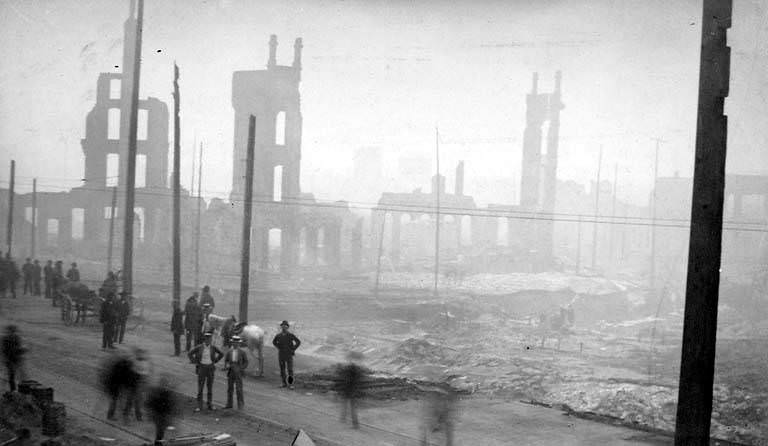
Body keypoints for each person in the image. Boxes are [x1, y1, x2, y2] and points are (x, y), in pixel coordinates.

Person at [188, 332, 223, 412]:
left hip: (210, 368)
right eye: (207, 339)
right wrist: (195, 362)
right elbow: (190, 353)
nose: (208, 341)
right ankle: (199, 406)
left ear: (211, 340)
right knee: (200, 387)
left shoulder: (213, 347)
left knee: (209, 387)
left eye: (210, 339)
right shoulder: (200, 347)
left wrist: (215, 361)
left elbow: (221, 354)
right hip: (202, 368)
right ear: (205, 339)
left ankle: (209, 404)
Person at [334, 351, 367, 428]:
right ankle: (349, 421)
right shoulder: (356, 371)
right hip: (352, 391)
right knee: (351, 408)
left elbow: (346, 381)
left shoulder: (349, 371)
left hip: (349, 391)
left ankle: (350, 422)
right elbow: (357, 382)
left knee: (348, 407)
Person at [145, 377, 178, 445]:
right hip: (160, 415)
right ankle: (158, 443)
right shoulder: (165, 393)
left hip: (160, 414)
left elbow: (150, 403)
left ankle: (158, 442)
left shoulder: (159, 392)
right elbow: (169, 404)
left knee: (160, 431)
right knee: (160, 431)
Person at [272, 320, 301, 389]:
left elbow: (298, 342)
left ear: (287, 327)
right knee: (282, 369)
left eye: (285, 326)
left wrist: (293, 349)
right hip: (281, 355)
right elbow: (274, 342)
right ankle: (283, 383)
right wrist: (278, 347)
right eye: (282, 325)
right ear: (281, 327)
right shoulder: (278, 335)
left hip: (289, 355)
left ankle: (291, 384)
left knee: (290, 370)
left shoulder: (290, 335)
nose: (284, 327)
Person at [224, 335, 248, 410]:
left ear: (239, 344)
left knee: (239, 388)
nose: (235, 344)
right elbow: (226, 360)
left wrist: (241, 368)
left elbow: (246, 362)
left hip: (238, 370)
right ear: (232, 343)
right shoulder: (229, 351)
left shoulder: (242, 352)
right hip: (231, 370)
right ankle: (229, 404)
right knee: (230, 388)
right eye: (234, 342)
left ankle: (240, 405)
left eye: (237, 343)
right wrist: (227, 366)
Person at [1, 325, 26, 392]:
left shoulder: (16, 338)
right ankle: (13, 390)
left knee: (18, 375)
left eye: (13, 331)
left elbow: (18, 348)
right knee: (12, 375)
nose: (12, 333)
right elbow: (3, 350)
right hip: (11, 359)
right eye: (12, 331)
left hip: (15, 359)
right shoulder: (6, 339)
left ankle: (18, 390)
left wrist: (22, 351)